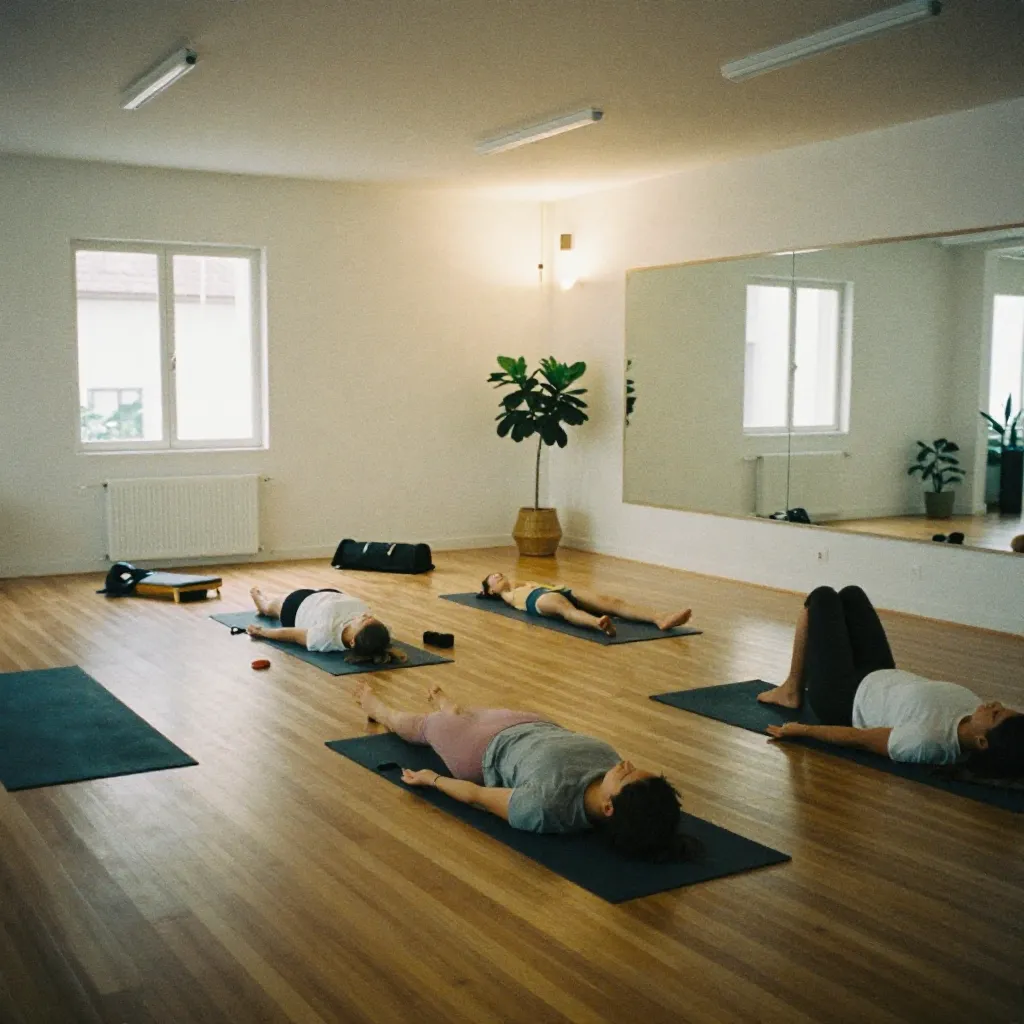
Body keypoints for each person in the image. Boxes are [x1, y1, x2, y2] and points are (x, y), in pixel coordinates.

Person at [356, 681, 697, 861]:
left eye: (625, 774)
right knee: (461, 712)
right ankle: (447, 704)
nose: (624, 764)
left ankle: (378, 709)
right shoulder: (608, 764)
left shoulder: (544, 807)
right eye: (633, 767)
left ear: (609, 807)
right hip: (529, 723)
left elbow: (477, 795)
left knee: (413, 725)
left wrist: (431, 779)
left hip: (479, 749)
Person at [758, 585, 1024, 775]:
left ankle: (791, 689)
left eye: (995, 713)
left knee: (822, 597)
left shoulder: (923, 741)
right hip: (881, 672)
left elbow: (858, 738)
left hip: (843, 698)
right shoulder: (972, 707)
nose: (993, 704)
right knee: (852, 595)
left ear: (981, 742)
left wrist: (803, 730)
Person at [479, 571, 692, 637]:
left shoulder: (522, 582)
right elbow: (503, 594)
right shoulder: (508, 595)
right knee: (566, 610)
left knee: (611, 601)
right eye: (494, 579)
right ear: (490, 591)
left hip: (554, 589)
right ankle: (597, 623)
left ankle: (660, 617)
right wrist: (495, 592)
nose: (499, 576)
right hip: (537, 599)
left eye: (500, 574)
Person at [248, 586, 402, 664]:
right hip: (328, 594)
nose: (365, 615)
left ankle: (258, 597)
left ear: (353, 641)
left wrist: (263, 632)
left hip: (298, 607)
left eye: (363, 620)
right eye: (369, 617)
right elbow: (381, 641)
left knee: (268, 608)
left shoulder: (325, 637)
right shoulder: (378, 631)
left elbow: (293, 635)